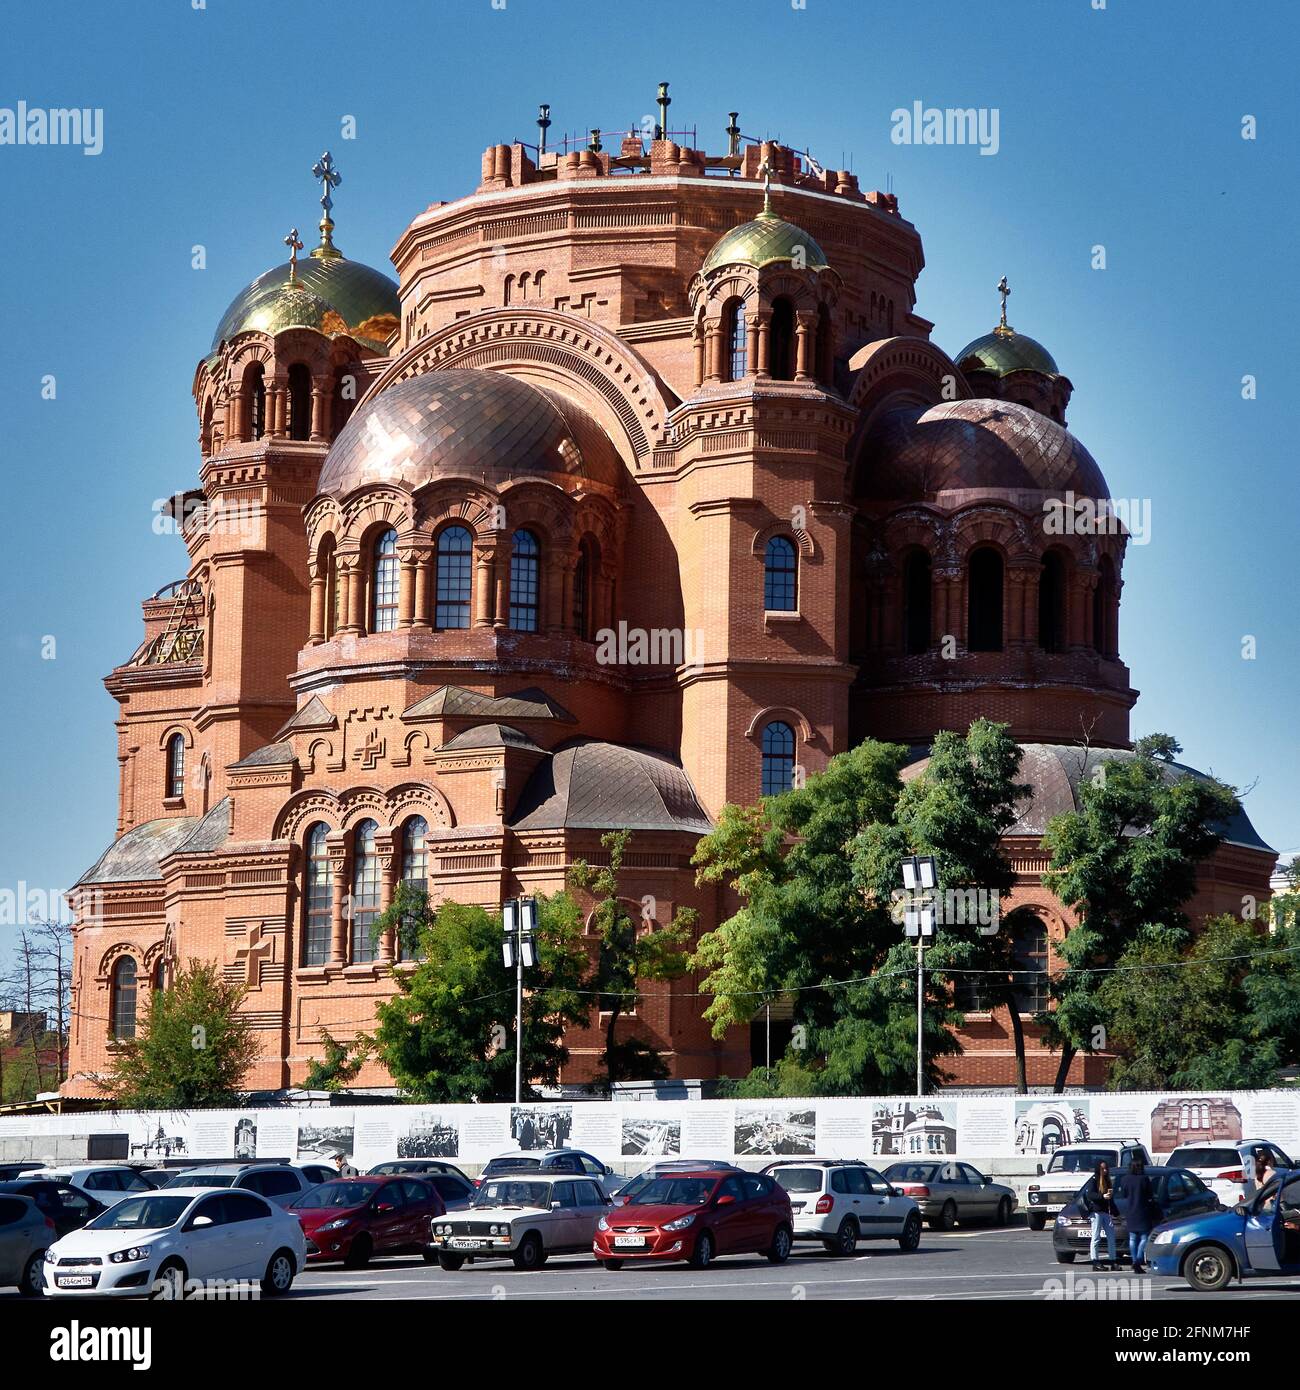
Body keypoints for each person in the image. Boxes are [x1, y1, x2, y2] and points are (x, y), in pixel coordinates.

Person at [1113, 1154, 1157, 1273]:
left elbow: (1124, 1194)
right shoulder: (1144, 1179)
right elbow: (1149, 1195)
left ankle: (1134, 1260)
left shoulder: (1125, 1179)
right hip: (1142, 1210)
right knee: (1144, 1237)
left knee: (1132, 1237)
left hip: (1130, 1210)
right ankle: (1138, 1260)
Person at [1081, 1159, 1116, 1271]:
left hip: (1106, 1212)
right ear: (1098, 1169)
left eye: (1106, 1168)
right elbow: (1090, 1195)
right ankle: (1095, 1261)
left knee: (1111, 1237)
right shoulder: (1094, 1180)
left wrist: (1116, 1212)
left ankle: (1113, 1260)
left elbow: (1111, 1199)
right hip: (1096, 1212)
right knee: (1096, 1237)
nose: (1105, 1171)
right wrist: (1102, 1196)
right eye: (1102, 1169)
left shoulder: (1107, 1180)